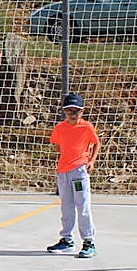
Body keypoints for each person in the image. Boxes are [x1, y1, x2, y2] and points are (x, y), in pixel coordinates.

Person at [46, 92, 101, 259]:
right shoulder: (59, 128)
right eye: (69, 110)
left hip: (79, 171)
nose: (72, 113)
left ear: (81, 111)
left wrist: (90, 160)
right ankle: (67, 240)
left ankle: (89, 241)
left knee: (82, 205)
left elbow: (96, 143)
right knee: (66, 206)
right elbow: (57, 145)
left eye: (76, 111)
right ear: (64, 111)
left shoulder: (87, 127)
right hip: (63, 171)